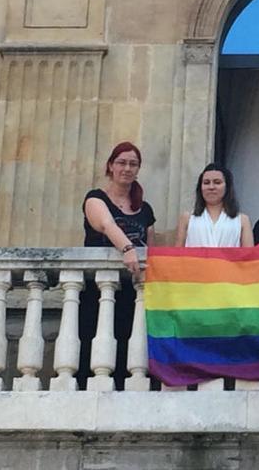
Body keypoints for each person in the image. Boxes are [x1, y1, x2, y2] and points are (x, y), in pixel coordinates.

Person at [80, 141, 156, 390]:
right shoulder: (95, 198)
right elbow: (106, 224)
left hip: (132, 290)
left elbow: (151, 249)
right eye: (122, 162)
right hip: (98, 289)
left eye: (133, 164)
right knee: (93, 342)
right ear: (110, 166)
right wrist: (127, 249)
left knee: (127, 343)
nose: (127, 168)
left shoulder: (144, 210)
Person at [175, 163, 254, 247]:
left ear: (227, 187)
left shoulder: (242, 220)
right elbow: (177, 256)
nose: (211, 187)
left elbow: (249, 256)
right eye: (206, 183)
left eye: (217, 182)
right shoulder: (187, 218)